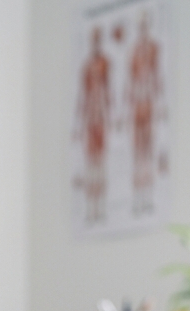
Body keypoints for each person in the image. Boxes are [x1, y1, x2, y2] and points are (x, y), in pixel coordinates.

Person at [125, 12, 164, 214]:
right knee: (137, 154)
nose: (143, 30)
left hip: (149, 106)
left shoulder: (153, 49)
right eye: (140, 26)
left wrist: (160, 105)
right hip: (136, 109)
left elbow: (157, 77)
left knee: (147, 153)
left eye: (145, 26)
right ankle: (137, 199)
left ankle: (148, 198)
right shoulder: (133, 52)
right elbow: (130, 83)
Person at [74, 26, 112, 224]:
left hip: (101, 122)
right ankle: (91, 209)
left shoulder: (105, 63)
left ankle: (101, 208)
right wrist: (78, 126)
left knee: (100, 165)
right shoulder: (86, 67)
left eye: (99, 39)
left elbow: (108, 92)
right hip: (90, 121)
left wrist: (110, 117)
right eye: (93, 39)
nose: (96, 43)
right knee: (91, 166)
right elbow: (82, 97)